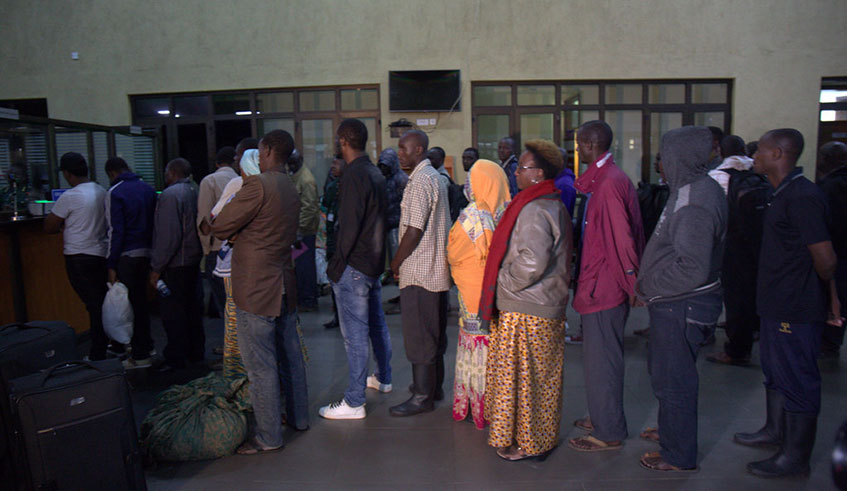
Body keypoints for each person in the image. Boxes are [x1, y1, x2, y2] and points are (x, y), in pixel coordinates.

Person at [735, 129, 838, 478]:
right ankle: (774, 431)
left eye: (760, 151)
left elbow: (826, 259)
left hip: (795, 306)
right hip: (775, 303)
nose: (754, 157)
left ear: (778, 154)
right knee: (776, 372)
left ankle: (795, 457)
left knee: (797, 378)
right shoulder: (780, 192)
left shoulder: (803, 196)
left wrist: (822, 294)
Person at [636, 126, 727, 472]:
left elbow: (692, 267)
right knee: (665, 374)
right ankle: (671, 431)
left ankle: (677, 454)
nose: (660, 163)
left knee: (675, 381)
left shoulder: (695, 201)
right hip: (675, 301)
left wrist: (650, 286)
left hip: (682, 303)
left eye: (665, 156)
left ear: (681, 157)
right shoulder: (690, 189)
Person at [212, 129, 309, 454]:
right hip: (284, 282)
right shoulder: (290, 186)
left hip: (256, 287)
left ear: (266, 151)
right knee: (291, 358)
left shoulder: (258, 185)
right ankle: (299, 418)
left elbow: (221, 225)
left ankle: (268, 437)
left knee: (261, 364)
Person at [482, 139, 572, 461]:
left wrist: (502, 282)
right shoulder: (547, 202)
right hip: (539, 303)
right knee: (537, 380)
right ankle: (532, 438)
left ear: (538, 173)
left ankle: (528, 443)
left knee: (525, 382)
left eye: (522, 167)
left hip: (528, 308)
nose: (516, 172)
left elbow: (532, 262)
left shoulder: (535, 208)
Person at [568, 121, 644, 453]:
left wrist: (632, 284)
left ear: (588, 145)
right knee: (596, 358)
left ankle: (609, 430)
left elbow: (622, 241)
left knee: (603, 361)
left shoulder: (610, 183)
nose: (577, 149)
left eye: (579, 144)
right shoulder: (605, 179)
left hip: (605, 287)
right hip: (598, 281)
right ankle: (601, 414)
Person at [319, 119, 393, 419]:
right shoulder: (374, 172)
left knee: (355, 336)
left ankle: (354, 401)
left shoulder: (353, 175)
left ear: (343, 141)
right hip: (372, 263)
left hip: (354, 266)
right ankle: (383, 377)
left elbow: (349, 227)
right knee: (376, 325)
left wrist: (336, 266)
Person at [388, 130, 451, 417]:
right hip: (433, 270)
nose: (399, 153)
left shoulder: (421, 181)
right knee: (433, 332)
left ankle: (422, 396)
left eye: (404, 148)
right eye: (399, 148)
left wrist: (396, 262)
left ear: (419, 150)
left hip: (419, 271)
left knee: (419, 336)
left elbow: (413, 230)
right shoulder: (433, 176)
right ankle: (432, 388)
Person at [447, 159, 510, 429]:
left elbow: (454, 252)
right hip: (495, 291)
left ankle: (475, 406)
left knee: (474, 344)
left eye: (472, 179)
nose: (467, 184)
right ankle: (497, 405)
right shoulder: (505, 213)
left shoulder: (472, 215)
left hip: (473, 292)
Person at [43, 152, 109, 361]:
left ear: (67, 174)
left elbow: (49, 226)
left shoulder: (70, 196)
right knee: (101, 303)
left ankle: (98, 352)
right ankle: (109, 345)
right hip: (100, 254)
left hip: (78, 256)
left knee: (94, 306)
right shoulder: (101, 191)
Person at [706, 135, 763, 366]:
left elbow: (713, 215)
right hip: (757, 241)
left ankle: (737, 350)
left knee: (734, 295)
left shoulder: (718, 176)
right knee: (750, 290)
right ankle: (751, 329)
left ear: (720, 151)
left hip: (732, 243)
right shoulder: (758, 172)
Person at [209, 149, 262, 379]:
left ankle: (238, 371)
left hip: (235, 262)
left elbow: (217, 219)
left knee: (236, 314)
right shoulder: (275, 187)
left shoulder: (239, 186)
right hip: (263, 264)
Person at [149, 158, 204, 372]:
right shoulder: (194, 190)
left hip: (175, 263)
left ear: (172, 173)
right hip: (192, 259)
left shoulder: (170, 195)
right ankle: (195, 352)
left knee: (173, 312)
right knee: (192, 310)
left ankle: (176, 357)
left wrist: (156, 267)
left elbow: (169, 236)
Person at [104, 156, 158, 369]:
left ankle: (139, 354)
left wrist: (111, 263)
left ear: (111, 173)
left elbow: (115, 231)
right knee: (142, 303)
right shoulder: (148, 189)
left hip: (127, 255)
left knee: (130, 306)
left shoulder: (115, 192)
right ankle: (147, 346)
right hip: (149, 253)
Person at [197, 146, 238, 319]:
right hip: (237, 246)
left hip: (217, 246)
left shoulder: (209, 181)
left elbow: (204, 219)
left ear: (216, 163)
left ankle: (230, 336)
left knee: (224, 302)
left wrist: (206, 248)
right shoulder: (241, 179)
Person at [817, 141, 847, 359]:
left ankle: (828, 340)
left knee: (832, 295)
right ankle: (832, 339)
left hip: (833, 250)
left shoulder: (829, 186)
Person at [287, 148, 320, 312]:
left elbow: (309, 209)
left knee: (305, 267)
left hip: (304, 232)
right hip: (297, 231)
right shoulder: (294, 176)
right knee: (300, 267)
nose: (291, 166)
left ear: (300, 160)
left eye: (293, 162)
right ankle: (304, 298)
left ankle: (308, 300)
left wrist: (299, 229)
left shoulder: (306, 180)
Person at [378, 148, 408, 281]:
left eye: (385, 166)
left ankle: (399, 277)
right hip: (386, 221)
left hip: (398, 222)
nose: (383, 169)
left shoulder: (401, 179)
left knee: (397, 251)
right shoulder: (383, 179)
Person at [320, 157, 343, 329]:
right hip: (332, 240)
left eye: (336, 164)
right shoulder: (332, 186)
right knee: (334, 279)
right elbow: (326, 205)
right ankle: (338, 315)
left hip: (344, 242)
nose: (332, 167)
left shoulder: (351, 186)